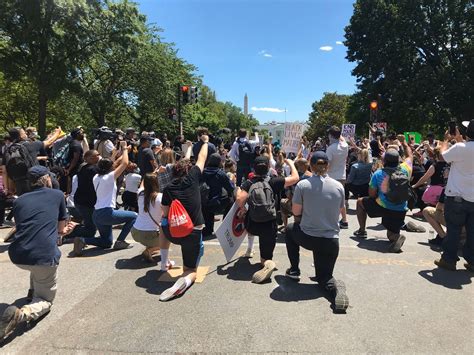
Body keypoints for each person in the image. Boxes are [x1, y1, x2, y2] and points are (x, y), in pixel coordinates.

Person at [0, 166, 67, 340]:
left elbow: (26, 226)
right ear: (46, 179)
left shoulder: (19, 200)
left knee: (35, 264)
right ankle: (21, 314)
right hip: (43, 256)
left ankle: (33, 291)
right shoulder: (58, 195)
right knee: (46, 300)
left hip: (18, 254)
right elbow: (60, 230)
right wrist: (66, 230)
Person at [284, 151, 349, 312]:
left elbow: (296, 212)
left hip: (308, 238)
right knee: (324, 278)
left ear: (310, 166)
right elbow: (342, 210)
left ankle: (294, 269)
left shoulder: (303, 185)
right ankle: (333, 289)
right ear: (328, 166)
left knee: (290, 229)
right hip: (331, 241)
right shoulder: (338, 186)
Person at [159, 135, 209, 301]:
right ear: (190, 170)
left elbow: (165, 213)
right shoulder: (193, 177)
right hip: (192, 231)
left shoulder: (168, 188)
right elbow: (201, 158)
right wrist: (205, 142)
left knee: (163, 222)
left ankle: (163, 260)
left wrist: (187, 149)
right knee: (191, 270)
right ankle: (185, 280)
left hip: (173, 233)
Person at [236, 155, 299, 283]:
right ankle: (266, 263)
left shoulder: (248, 183)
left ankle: (250, 248)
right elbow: (295, 178)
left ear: (254, 169)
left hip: (252, 224)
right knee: (266, 255)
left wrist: (242, 204)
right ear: (268, 167)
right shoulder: (274, 181)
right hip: (269, 223)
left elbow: (239, 200)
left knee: (249, 226)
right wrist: (291, 164)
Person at [72, 141, 137, 255]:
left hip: (96, 214)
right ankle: (120, 241)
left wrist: (117, 154)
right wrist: (125, 148)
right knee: (134, 216)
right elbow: (124, 163)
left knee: (106, 242)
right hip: (107, 213)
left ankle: (83, 240)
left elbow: (112, 164)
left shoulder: (96, 177)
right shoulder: (109, 177)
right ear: (110, 169)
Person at [354, 135, 413, 253]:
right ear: (398, 160)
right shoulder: (406, 169)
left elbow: (371, 194)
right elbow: (410, 156)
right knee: (390, 234)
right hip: (401, 208)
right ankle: (396, 237)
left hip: (383, 206)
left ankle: (362, 230)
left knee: (360, 202)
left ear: (384, 161)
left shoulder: (378, 173)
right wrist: (404, 143)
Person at [434, 120, 474, 272]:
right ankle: (472, 261)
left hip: (456, 196)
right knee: (472, 232)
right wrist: (459, 139)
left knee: (454, 230)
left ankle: (449, 260)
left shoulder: (460, 147)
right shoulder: (462, 146)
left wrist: (445, 140)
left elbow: (442, 157)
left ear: (467, 133)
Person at [131, 173, 167, 264]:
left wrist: (148, 175)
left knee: (150, 231)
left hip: (135, 231)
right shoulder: (160, 197)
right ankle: (149, 250)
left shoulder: (140, 193)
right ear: (156, 183)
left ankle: (150, 246)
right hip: (149, 234)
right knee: (168, 239)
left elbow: (142, 184)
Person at [201, 153, 235, 237]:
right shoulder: (220, 174)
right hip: (218, 204)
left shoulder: (202, 172)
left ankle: (208, 228)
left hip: (204, 204)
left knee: (207, 202)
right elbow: (230, 188)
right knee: (231, 199)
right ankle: (225, 226)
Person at [69, 150, 100, 242]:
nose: (98, 157)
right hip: (85, 203)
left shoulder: (84, 167)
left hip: (82, 201)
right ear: (89, 158)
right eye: (96, 156)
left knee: (90, 224)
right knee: (90, 230)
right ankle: (68, 232)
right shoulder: (92, 169)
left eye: (98, 155)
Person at [326, 126, 349, 229]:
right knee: (341, 200)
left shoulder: (330, 149)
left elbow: (328, 164)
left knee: (330, 200)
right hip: (342, 176)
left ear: (330, 136)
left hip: (331, 176)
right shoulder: (345, 146)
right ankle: (344, 220)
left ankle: (332, 220)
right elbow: (342, 139)